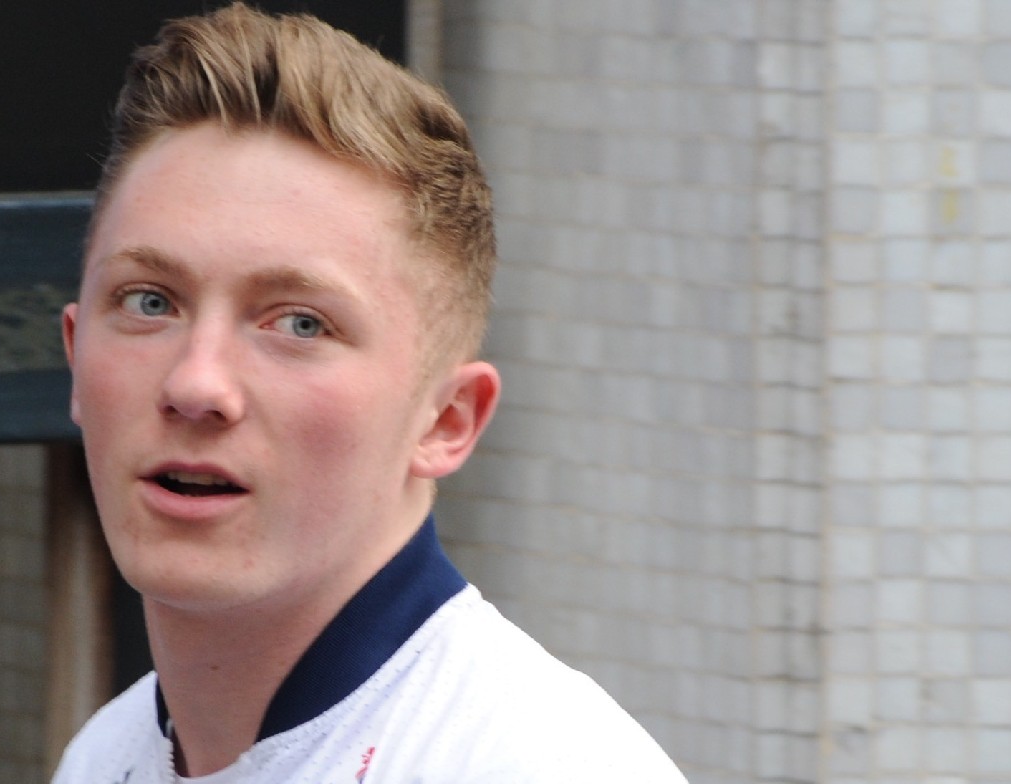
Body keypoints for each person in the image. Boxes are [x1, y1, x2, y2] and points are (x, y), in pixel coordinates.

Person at [54, 4, 687, 781]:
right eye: (151, 301)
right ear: (76, 354)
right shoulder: (103, 756)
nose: (196, 384)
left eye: (299, 323)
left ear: (447, 421)